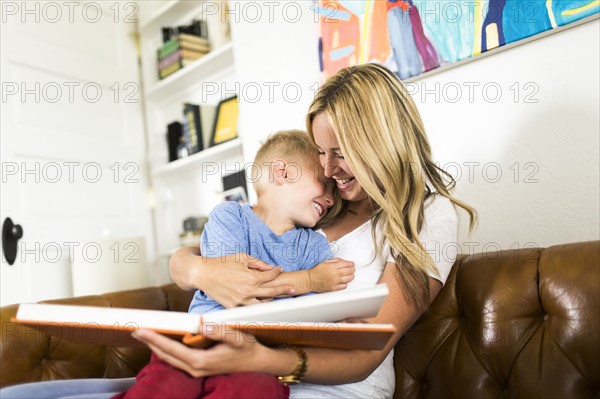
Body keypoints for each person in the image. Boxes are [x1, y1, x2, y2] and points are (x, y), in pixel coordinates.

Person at [0, 63, 476, 398]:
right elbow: (196, 253)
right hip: (236, 363)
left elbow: (366, 350)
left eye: (340, 152)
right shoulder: (318, 209)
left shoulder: (426, 217)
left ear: (381, 140)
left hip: (324, 388)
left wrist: (259, 357)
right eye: (320, 154)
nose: (328, 170)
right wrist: (200, 270)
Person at [112, 130, 355, 398]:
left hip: (258, 357)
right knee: (166, 386)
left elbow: (314, 314)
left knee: (256, 390)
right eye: (323, 182)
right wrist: (310, 280)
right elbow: (238, 281)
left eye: (334, 191)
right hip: (200, 339)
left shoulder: (314, 246)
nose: (331, 199)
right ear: (282, 173)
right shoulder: (230, 216)